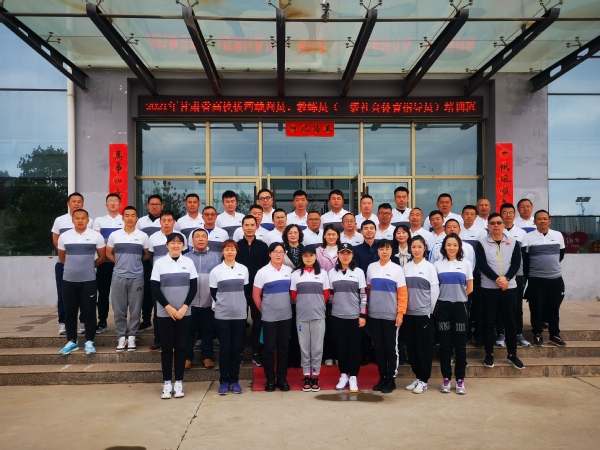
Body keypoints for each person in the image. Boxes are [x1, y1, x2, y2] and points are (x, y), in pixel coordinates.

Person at [151, 233, 198, 399]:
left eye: (179, 242)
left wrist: (185, 307)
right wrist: (168, 307)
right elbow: (155, 288)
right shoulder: (159, 263)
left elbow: (193, 287)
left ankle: (178, 382)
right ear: (167, 245)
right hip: (165, 313)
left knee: (181, 347)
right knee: (166, 348)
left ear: (183, 246)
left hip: (184, 312)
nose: (176, 245)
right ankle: (166, 383)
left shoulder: (188, 262)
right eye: (172, 242)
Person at [476, 212, 525, 370]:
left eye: (499, 223)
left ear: (504, 225)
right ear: (488, 226)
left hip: (509, 288)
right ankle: (489, 354)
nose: (496, 225)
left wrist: (507, 278)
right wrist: (498, 279)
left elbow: (516, 263)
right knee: (488, 322)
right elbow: (482, 265)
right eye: (492, 223)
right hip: (489, 288)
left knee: (510, 322)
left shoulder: (513, 242)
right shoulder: (482, 243)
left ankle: (512, 355)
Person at [57, 209, 106, 355]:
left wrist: (89, 267)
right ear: (72, 220)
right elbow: (62, 257)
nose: (80, 220)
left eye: (83, 218)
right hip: (69, 280)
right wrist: (73, 268)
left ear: (88, 220)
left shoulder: (96, 236)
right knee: (70, 311)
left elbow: (102, 257)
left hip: (88, 280)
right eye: (77, 218)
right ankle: (72, 341)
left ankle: (89, 340)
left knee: (89, 311)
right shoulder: (64, 236)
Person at [105, 206, 149, 352]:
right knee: (119, 309)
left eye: (133, 215)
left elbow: (146, 255)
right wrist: (118, 262)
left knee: (135, 309)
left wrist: (135, 263)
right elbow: (108, 252)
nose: (130, 218)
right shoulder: (115, 235)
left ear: (137, 218)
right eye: (127, 215)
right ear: (123, 218)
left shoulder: (143, 236)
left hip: (136, 277)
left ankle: (132, 336)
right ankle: (121, 336)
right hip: (118, 276)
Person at [367, 239, 407, 394]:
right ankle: (382, 376)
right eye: (381, 249)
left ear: (392, 251)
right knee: (379, 348)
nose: (384, 251)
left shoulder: (397, 269)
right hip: (374, 315)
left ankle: (391, 378)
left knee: (391, 348)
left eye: (387, 249)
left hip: (391, 315)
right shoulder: (371, 268)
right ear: (377, 251)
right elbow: (368, 290)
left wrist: (400, 313)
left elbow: (402, 294)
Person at [434, 234, 473, 395]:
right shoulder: (437, 264)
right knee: (444, 345)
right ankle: (446, 379)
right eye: (449, 244)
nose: (452, 248)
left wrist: (458, 296)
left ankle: (460, 380)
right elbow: (435, 287)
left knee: (460, 346)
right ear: (444, 246)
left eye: (455, 245)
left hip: (460, 308)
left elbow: (470, 287)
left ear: (459, 247)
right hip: (442, 308)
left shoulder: (466, 264)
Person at [210, 240, 250, 395]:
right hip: (222, 315)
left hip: (240, 314)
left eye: (232, 249)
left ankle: (235, 380)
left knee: (236, 348)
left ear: (236, 251)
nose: (230, 252)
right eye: (227, 249)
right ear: (223, 252)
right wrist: (225, 303)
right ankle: (224, 381)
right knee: (225, 349)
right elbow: (213, 293)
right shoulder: (216, 271)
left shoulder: (243, 269)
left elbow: (245, 289)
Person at [522, 210, 566, 347]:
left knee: (554, 307)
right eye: (539, 219)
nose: (542, 221)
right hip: (536, 278)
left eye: (545, 218)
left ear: (549, 221)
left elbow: (561, 255)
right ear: (534, 221)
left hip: (555, 278)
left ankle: (554, 335)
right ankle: (537, 334)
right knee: (536, 307)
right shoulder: (528, 237)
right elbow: (525, 259)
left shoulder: (558, 235)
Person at [253, 242, 293, 392]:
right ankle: (270, 379)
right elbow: (256, 295)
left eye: (281, 252)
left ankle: (282, 379)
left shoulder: (289, 271)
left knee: (283, 349)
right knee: (269, 349)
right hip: (269, 317)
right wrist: (264, 311)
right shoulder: (262, 272)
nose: (278, 254)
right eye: (275, 252)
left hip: (286, 316)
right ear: (270, 254)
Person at [51, 192, 92, 335]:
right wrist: (67, 260)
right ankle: (63, 323)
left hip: (84, 267)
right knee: (63, 294)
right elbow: (56, 241)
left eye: (79, 201)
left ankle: (83, 322)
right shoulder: (60, 220)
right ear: (68, 203)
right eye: (74, 201)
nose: (76, 203)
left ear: (83, 204)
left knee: (84, 296)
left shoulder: (89, 221)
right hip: (63, 264)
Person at [290, 247, 330, 392]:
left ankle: (315, 375)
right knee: (304, 347)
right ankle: (307, 375)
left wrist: (316, 305)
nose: (308, 258)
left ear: (315, 257)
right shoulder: (296, 274)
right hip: (302, 316)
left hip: (318, 315)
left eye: (311, 255)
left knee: (317, 348)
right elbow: (293, 293)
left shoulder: (323, 273)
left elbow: (326, 293)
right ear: (302, 257)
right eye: (305, 255)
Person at [403, 236, 439, 394]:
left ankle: (424, 380)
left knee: (424, 347)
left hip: (424, 314)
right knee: (412, 347)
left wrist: (429, 311)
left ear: (424, 248)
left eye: (419, 247)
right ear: (410, 249)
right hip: (408, 314)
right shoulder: (406, 267)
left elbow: (435, 291)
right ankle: (417, 377)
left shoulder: (430, 267)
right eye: (413, 247)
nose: (416, 250)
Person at [329, 243, 367, 393]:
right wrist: (330, 312)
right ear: (338, 255)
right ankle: (344, 374)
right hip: (337, 316)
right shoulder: (332, 272)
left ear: (352, 255)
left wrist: (362, 315)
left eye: (348, 253)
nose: (345, 256)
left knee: (354, 348)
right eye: (342, 253)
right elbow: (330, 295)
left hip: (354, 316)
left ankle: (353, 377)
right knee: (341, 347)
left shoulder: (358, 272)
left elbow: (363, 295)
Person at [148, 211, 187, 352]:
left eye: (169, 220)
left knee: (179, 308)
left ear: (174, 222)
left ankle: (178, 340)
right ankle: (158, 340)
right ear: (160, 222)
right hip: (160, 277)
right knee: (159, 309)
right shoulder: (153, 237)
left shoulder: (180, 237)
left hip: (178, 278)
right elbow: (151, 257)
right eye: (163, 220)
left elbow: (184, 256)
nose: (166, 223)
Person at [235, 215, 269, 367]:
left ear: (257, 226)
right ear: (242, 227)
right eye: (246, 225)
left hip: (258, 291)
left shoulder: (263, 246)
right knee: (240, 323)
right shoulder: (236, 246)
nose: (249, 228)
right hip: (239, 291)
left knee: (258, 323)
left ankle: (256, 353)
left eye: (252, 225)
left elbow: (266, 269)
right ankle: (239, 352)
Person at [185, 228, 221, 369]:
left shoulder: (216, 257)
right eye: (197, 236)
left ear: (207, 240)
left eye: (203, 236)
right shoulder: (186, 258)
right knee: (189, 331)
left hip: (208, 300)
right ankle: (187, 357)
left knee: (208, 330)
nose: (200, 239)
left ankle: (207, 356)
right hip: (190, 301)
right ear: (192, 240)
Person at [93, 193, 124, 334]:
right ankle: (102, 322)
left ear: (120, 204)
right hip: (104, 263)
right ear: (106, 205)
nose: (112, 203)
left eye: (115, 201)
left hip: (121, 263)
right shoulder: (99, 220)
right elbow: (98, 241)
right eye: (110, 201)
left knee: (122, 295)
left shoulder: (125, 219)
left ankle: (122, 323)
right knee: (103, 294)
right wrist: (109, 252)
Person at [500, 203, 531, 347]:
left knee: (517, 305)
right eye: (505, 212)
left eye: (510, 212)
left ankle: (518, 333)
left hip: (517, 275)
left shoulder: (521, 233)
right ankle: (501, 333)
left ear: (514, 214)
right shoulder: (495, 230)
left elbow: (524, 256)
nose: (508, 215)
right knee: (500, 304)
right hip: (500, 275)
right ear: (501, 215)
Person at [136, 194, 163, 332]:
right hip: (146, 261)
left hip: (162, 261)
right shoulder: (141, 222)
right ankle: (146, 319)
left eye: (157, 204)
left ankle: (160, 318)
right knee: (146, 290)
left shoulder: (166, 220)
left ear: (162, 206)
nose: (154, 206)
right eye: (152, 204)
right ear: (147, 206)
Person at [316, 224, 341, 366]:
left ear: (338, 236)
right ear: (324, 236)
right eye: (328, 234)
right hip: (323, 293)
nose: (331, 237)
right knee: (326, 326)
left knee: (338, 325)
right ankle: (328, 355)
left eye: (334, 234)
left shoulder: (343, 250)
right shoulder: (318, 251)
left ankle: (338, 354)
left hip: (340, 293)